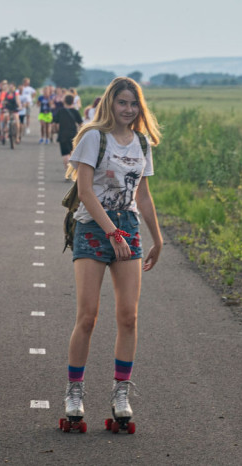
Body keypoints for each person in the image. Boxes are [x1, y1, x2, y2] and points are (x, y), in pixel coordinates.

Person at [60, 77, 163, 433]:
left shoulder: (142, 143)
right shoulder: (94, 137)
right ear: (110, 104)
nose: (128, 110)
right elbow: (86, 191)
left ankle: (121, 392)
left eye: (133, 104)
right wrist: (111, 232)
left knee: (129, 316)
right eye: (122, 103)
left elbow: (143, 195)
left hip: (129, 227)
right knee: (88, 316)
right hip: (93, 228)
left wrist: (157, 238)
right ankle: (74, 392)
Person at [53, 93, 82, 171]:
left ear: (64, 101)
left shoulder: (60, 111)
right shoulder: (75, 112)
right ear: (73, 101)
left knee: (65, 154)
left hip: (63, 134)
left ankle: (67, 171)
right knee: (73, 153)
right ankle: (73, 170)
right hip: (73, 134)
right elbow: (81, 124)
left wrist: (56, 130)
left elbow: (56, 124)